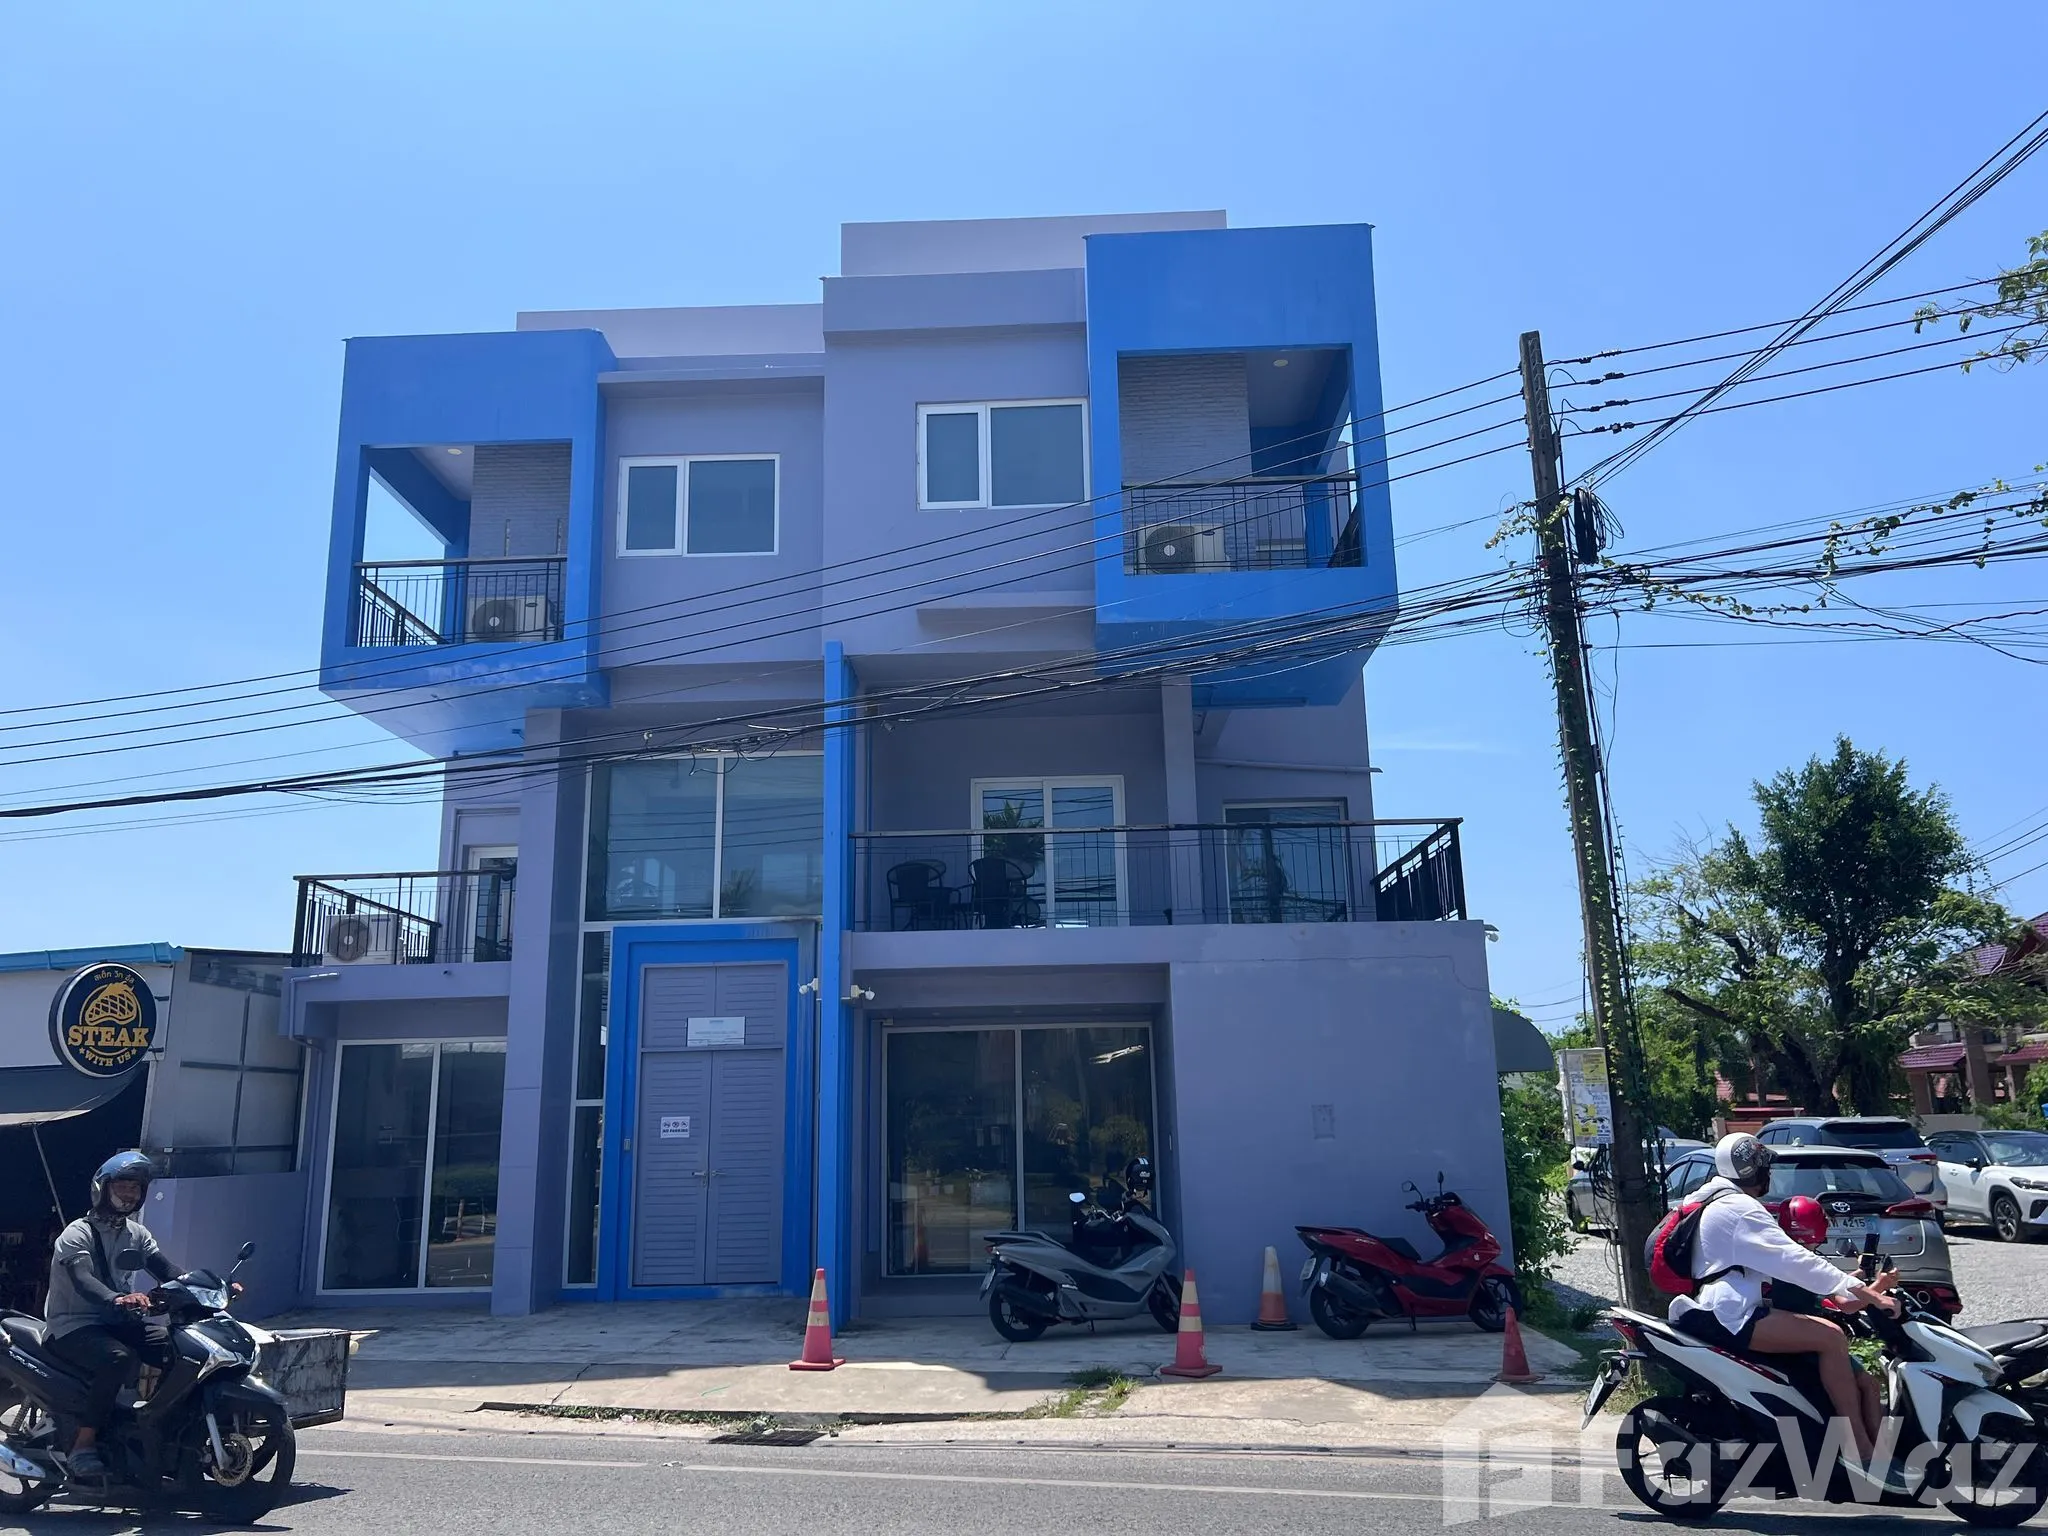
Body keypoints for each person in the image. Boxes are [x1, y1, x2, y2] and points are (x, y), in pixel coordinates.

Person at [1669, 1133, 1900, 1463]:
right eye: (1765, 1167)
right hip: (1733, 1313)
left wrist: (1860, 1286)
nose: (1769, 1174)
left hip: (1726, 1307)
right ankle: (1858, 1450)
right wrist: (1868, 1293)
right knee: (1832, 1337)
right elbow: (1795, 1261)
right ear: (1752, 1169)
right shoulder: (1740, 1209)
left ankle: (1862, 1447)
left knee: (1840, 1351)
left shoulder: (1716, 1201)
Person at [42, 1152, 179, 1484]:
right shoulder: (77, 1233)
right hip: (73, 1325)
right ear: (101, 1189)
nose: (129, 1194)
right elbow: (82, 1279)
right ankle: (83, 1445)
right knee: (117, 1358)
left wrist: (208, 1286)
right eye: (122, 1186)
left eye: (135, 1188)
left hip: (118, 1321)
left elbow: (167, 1270)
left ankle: (155, 1429)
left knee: (177, 1349)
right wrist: (117, 1298)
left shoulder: (137, 1234)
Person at [1767, 1193, 1897, 1450]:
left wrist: (1861, 1274)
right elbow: (1847, 1305)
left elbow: (1830, 1282)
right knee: (1869, 1386)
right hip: (1810, 1340)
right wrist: (1881, 1287)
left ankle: (1875, 1448)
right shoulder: (1804, 1261)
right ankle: (1873, 1450)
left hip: (1797, 1333)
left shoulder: (1783, 1256)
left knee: (1867, 1384)